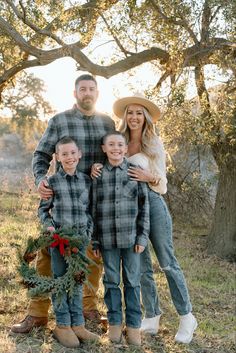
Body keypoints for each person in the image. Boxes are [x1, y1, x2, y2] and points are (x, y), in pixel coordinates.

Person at [11, 74, 115, 334]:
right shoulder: (59, 121)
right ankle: (38, 313)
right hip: (62, 199)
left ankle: (86, 309)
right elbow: (41, 154)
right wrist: (40, 179)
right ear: (75, 93)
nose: (87, 93)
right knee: (49, 253)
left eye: (91, 89)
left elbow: (115, 153)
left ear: (98, 92)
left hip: (94, 198)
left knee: (92, 254)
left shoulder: (107, 122)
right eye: (83, 89)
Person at [113, 94, 198, 344]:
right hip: (130, 209)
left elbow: (163, 184)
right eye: (130, 112)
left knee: (167, 262)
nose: (134, 117)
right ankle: (152, 314)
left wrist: (147, 176)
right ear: (125, 117)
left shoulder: (154, 143)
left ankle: (186, 316)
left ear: (145, 117)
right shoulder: (119, 142)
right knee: (141, 266)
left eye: (139, 113)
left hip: (153, 203)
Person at [38, 136, 99, 348]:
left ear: (79, 154)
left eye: (73, 153)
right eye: (64, 154)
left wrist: (88, 234)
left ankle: (78, 324)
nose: (69, 157)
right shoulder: (52, 182)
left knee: (78, 280)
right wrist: (50, 228)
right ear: (58, 157)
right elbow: (43, 210)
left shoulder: (86, 181)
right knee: (61, 280)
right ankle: (62, 325)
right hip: (59, 241)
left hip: (80, 241)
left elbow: (91, 212)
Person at [92, 131, 150, 346]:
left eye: (120, 145)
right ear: (104, 148)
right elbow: (94, 209)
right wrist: (95, 240)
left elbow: (144, 208)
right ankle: (115, 323)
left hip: (131, 240)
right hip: (107, 240)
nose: (116, 148)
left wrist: (142, 237)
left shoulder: (135, 173)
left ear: (126, 149)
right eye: (111, 145)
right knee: (111, 282)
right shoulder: (98, 175)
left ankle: (133, 325)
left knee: (133, 283)